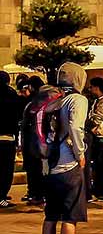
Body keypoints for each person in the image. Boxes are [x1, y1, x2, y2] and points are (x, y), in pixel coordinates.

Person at [43, 62, 89, 234]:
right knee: (70, 216)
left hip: (49, 163)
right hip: (69, 164)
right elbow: (76, 128)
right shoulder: (77, 100)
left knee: (51, 215)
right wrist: (80, 154)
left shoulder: (51, 98)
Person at [21, 75, 46, 205]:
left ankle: (35, 194)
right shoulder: (44, 100)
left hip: (33, 141)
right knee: (37, 168)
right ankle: (36, 194)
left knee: (34, 169)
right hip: (39, 141)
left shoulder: (34, 102)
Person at [0, 70, 22, 208]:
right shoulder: (11, 94)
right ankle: (1, 197)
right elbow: (17, 116)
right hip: (7, 138)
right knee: (6, 170)